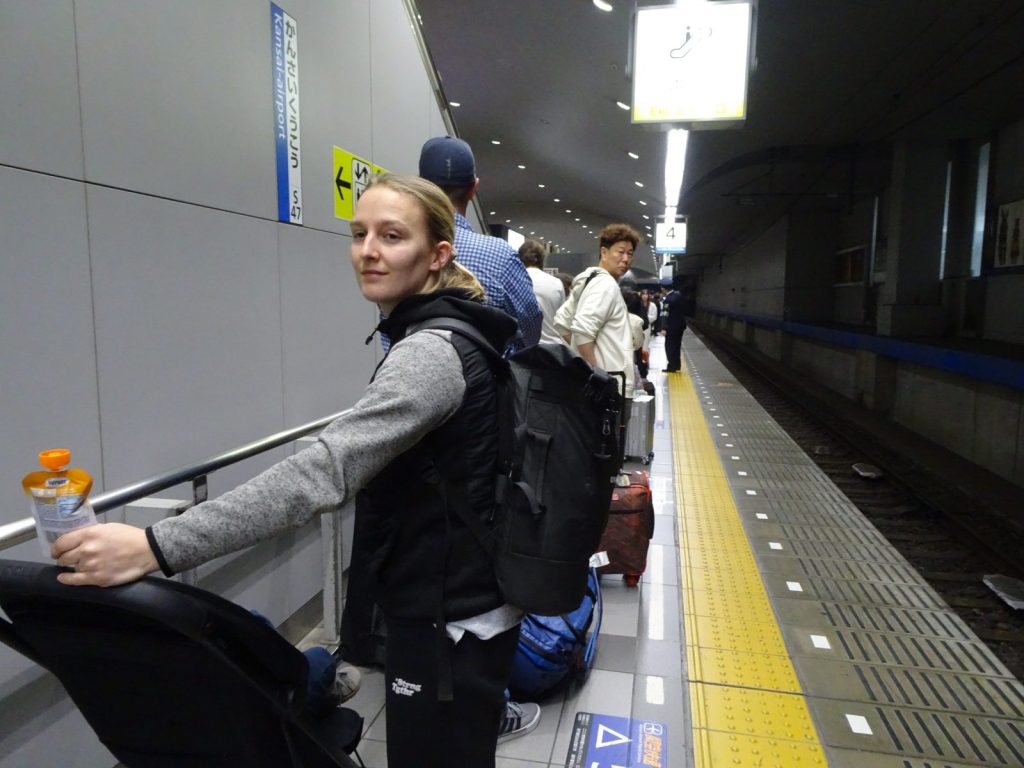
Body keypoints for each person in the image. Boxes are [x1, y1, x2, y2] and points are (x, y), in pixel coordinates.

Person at [51, 173, 540, 767]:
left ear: (437, 255)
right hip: (458, 601)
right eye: (358, 234)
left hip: (451, 619)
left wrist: (156, 546)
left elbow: (323, 473)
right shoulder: (453, 330)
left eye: (392, 236)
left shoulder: (429, 354)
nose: (368, 251)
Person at [419, 136, 542, 352]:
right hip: (486, 371)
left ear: (420, 185)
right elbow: (530, 334)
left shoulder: (402, 251)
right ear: (473, 188)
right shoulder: (501, 256)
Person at [553, 223, 639, 404]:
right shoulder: (605, 285)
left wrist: (581, 354)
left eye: (630, 254)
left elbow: (562, 322)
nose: (626, 259)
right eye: (620, 252)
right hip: (609, 384)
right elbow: (583, 331)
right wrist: (596, 375)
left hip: (593, 385)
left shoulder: (589, 281)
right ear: (604, 252)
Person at [517, 238, 565, 345]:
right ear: (543, 259)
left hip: (525, 347)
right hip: (554, 346)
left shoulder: (515, 281)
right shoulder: (557, 283)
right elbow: (562, 319)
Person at [662, 274, 688, 373]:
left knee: (670, 347)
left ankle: (671, 366)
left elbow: (665, 315)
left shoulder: (668, 300)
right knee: (677, 346)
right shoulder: (679, 296)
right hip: (680, 326)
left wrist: (664, 328)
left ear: (663, 289)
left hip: (671, 328)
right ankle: (677, 365)